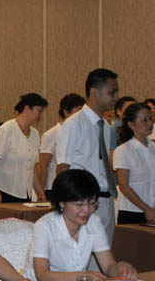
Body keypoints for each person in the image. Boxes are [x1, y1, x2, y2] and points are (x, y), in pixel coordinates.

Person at [33, 169, 138, 281]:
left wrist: (120, 269)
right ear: (62, 203)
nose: (86, 210)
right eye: (79, 205)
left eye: (92, 203)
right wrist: (81, 277)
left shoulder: (94, 223)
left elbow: (108, 266)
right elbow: (42, 276)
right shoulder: (45, 226)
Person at [56, 68, 119, 244]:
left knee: (104, 254)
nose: (115, 98)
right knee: (82, 256)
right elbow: (62, 169)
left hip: (106, 200)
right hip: (83, 203)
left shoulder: (105, 125)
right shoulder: (74, 124)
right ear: (94, 92)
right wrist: (70, 207)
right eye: (112, 92)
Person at [0, 93, 48, 203]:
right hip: (4, 192)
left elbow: (32, 168)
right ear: (27, 109)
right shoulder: (7, 129)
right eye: (38, 111)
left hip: (26, 194)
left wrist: (40, 193)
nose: (40, 116)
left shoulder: (35, 134)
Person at [37, 93, 85, 199]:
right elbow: (43, 166)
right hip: (53, 187)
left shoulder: (81, 133)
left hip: (76, 186)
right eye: (78, 110)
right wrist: (40, 193)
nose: (81, 115)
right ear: (66, 111)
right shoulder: (51, 134)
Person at [113, 103, 155, 224]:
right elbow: (124, 186)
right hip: (132, 212)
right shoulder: (123, 150)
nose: (150, 123)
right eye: (144, 120)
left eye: (151, 118)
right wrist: (146, 209)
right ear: (131, 124)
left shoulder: (153, 147)